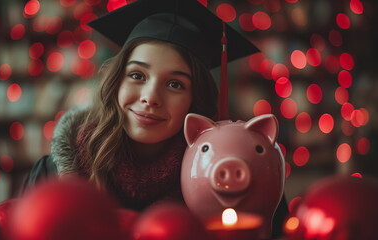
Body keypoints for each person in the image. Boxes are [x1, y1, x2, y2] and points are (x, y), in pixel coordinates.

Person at [23, 0, 288, 237]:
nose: (151, 97)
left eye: (175, 84)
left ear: (195, 101)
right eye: (137, 75)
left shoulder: (235, 182)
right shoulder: (53, 176)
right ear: (116, 82)